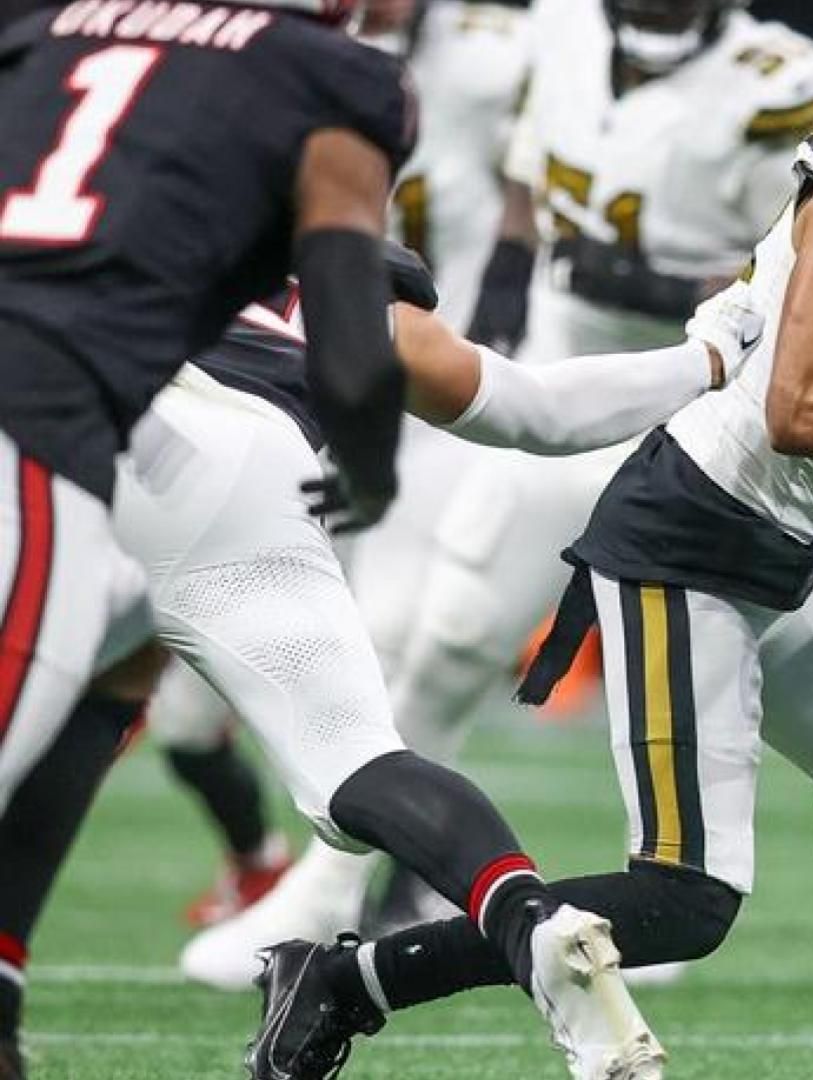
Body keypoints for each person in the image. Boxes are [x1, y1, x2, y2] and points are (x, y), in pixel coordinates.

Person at [245, 1, 813, 1076]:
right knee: (683, 900)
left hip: (786, 540)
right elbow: (800, 407)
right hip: (691, 527)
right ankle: (343, 979)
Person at [0, 3, 662, 1076]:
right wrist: (714, 363)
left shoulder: (80, 72)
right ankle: (536, 919)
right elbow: (531, 409)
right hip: (262, 462)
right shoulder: (337, 134)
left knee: (91, 710)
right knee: (358, 760)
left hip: (93, 423)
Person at [182, 0, 813, 988]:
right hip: (562, 361)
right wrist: (512, 267)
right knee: (449, 631)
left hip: (714, 400)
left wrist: (669, 290)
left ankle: (665, 896)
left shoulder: (779, 78)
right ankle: (331, 896)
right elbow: (529, 174)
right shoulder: (564, 25)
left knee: (779, 679)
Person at [152, 0, 537, 933]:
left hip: (413, 364)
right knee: (183, 726)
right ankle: (258, 868)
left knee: (405, 636)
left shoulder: (500, 53)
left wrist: (507, 281)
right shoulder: (249, 53)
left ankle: (386, 892)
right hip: (264, 373)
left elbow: (546, 187)